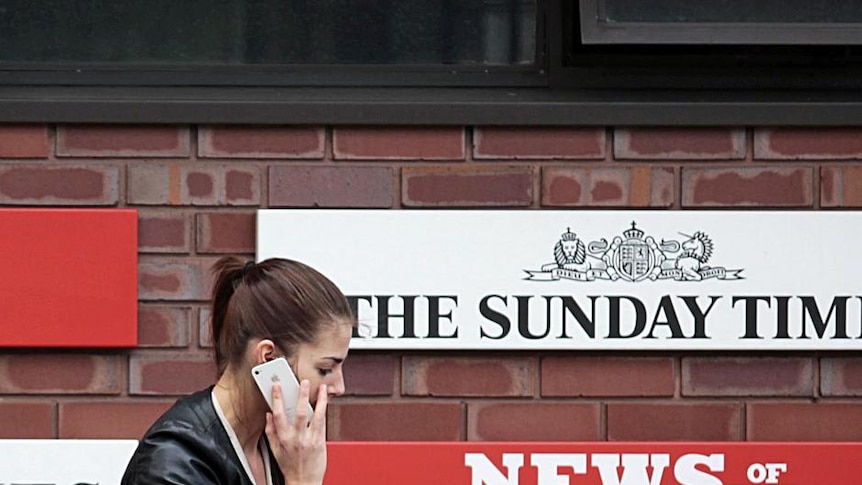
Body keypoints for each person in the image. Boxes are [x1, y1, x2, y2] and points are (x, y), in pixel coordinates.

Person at [122, 256, 355, 485]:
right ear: (268, 358)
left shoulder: (281, 445)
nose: (339, 387)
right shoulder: (175, 462)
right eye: (325, 369)